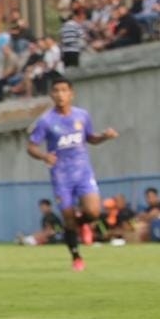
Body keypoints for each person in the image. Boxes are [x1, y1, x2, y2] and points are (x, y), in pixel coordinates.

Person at [27, 77, 118, 271]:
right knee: (68, 217)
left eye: (64, 90)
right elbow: (31, 147)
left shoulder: (82, 116)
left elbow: (90, 138)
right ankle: (76, 256)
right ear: (51, 94)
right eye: (56, 91)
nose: (60, 95)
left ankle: (80, 224)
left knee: (93, 212)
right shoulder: (46, 121)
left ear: (71, 93)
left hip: (83, 172)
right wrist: (44, 156)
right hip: (61, 177)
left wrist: (104, 136)